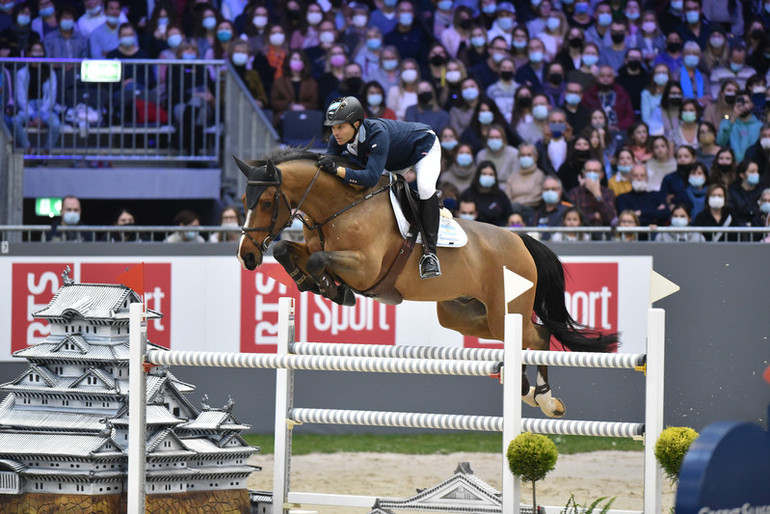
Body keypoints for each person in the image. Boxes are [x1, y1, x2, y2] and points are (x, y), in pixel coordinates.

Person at [320, 96, 443, 279]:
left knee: (424, 188)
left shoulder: (377, 133)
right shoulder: (337, 140)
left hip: (423, 148)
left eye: (340, 127)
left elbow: (369, 178)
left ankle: (430, 255)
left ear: (356, 124)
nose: (335, 132)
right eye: (333, 127)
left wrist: (339, 171)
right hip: (393, 160)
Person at [13, 40, 59, 155]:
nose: (37, 53)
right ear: (29, 53)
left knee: (56, 124)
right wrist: (33, 114)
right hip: (27, 107)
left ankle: (46, 152)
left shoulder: (50, 72)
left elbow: (52, 96)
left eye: (40, 51)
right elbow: (21, 98)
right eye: (34, 50)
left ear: (43, 53)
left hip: (45, 107)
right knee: (15, 121)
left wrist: (40, 114)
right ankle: (29, 149)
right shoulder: (21, 73)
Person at [567, 158, 617, 231]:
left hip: (604, 236)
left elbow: (611, 219)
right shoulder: (575, 193)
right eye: (589, 171)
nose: (592, 173)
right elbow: (572, 218)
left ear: (601, 175)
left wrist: (598, 195)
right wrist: (594, 216)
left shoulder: (608, 192)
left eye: (595, 171)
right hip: (581, 235)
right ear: (583, 173)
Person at [459, 160, 513, 226]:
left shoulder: (501, 196)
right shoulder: (467, 194)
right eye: (484, 174)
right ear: (478, 175)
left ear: (495, 177)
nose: (487, 177)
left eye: (491, 174)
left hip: (497, 232)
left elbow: (508, 216)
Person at [582, 65, 634, 132]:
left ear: (614, 77)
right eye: (602, 76)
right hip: (595, 131)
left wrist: (619, 127)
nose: (605, 79)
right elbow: (584, 116)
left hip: (619, 130)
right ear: (596, 78)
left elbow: (630, 115)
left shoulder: (621, 93)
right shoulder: (589, 94)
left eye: (609, 76)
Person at [716, 90, 762, 162]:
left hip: (752, 164)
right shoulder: (726, 123)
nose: (742, 105)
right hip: (732, 165)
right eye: (739, 102)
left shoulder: (759, 125)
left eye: (746, 102)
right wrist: (733, 118)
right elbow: (720, 142)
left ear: (751, 104)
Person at [529, 174, 572, 240]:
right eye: (546, 189)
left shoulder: (568, 209)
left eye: (553, 189)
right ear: (542, 192)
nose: (550, 192)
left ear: (560, 191)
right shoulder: (537, 212)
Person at [728, 160, 762, 227]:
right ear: (742, 175)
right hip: (738, 230)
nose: (756, 174)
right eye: (752, 171)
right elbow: (732, 213)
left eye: (757, 171)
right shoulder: (733, 192)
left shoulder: (762, 191)